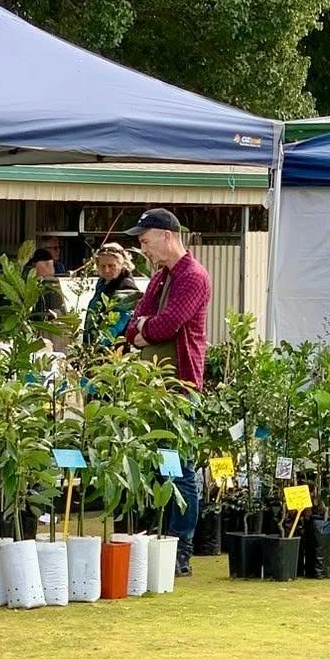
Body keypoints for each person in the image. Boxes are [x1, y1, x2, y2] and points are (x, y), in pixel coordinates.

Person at [125, 208, 211, 575]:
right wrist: (142, 328)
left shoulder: (193, 276)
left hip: (180, 385)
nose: (143, 248)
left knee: (179, 468)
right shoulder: (161, 277)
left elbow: (167, 326)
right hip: (153, 386)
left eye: (145, 241)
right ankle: (162, 540)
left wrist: (146, 329)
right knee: (158, 464)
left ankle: (181, 547)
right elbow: (133, 325)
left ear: (165, 235)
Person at [79, 243, 142, 351]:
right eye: (102, 266)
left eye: (111, 266)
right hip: (94, 344)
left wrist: (95, 347)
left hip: (112, 350)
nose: (106, 270)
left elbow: (116, 325)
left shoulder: (127, 288)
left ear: (122, 264)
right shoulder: (103, 282)